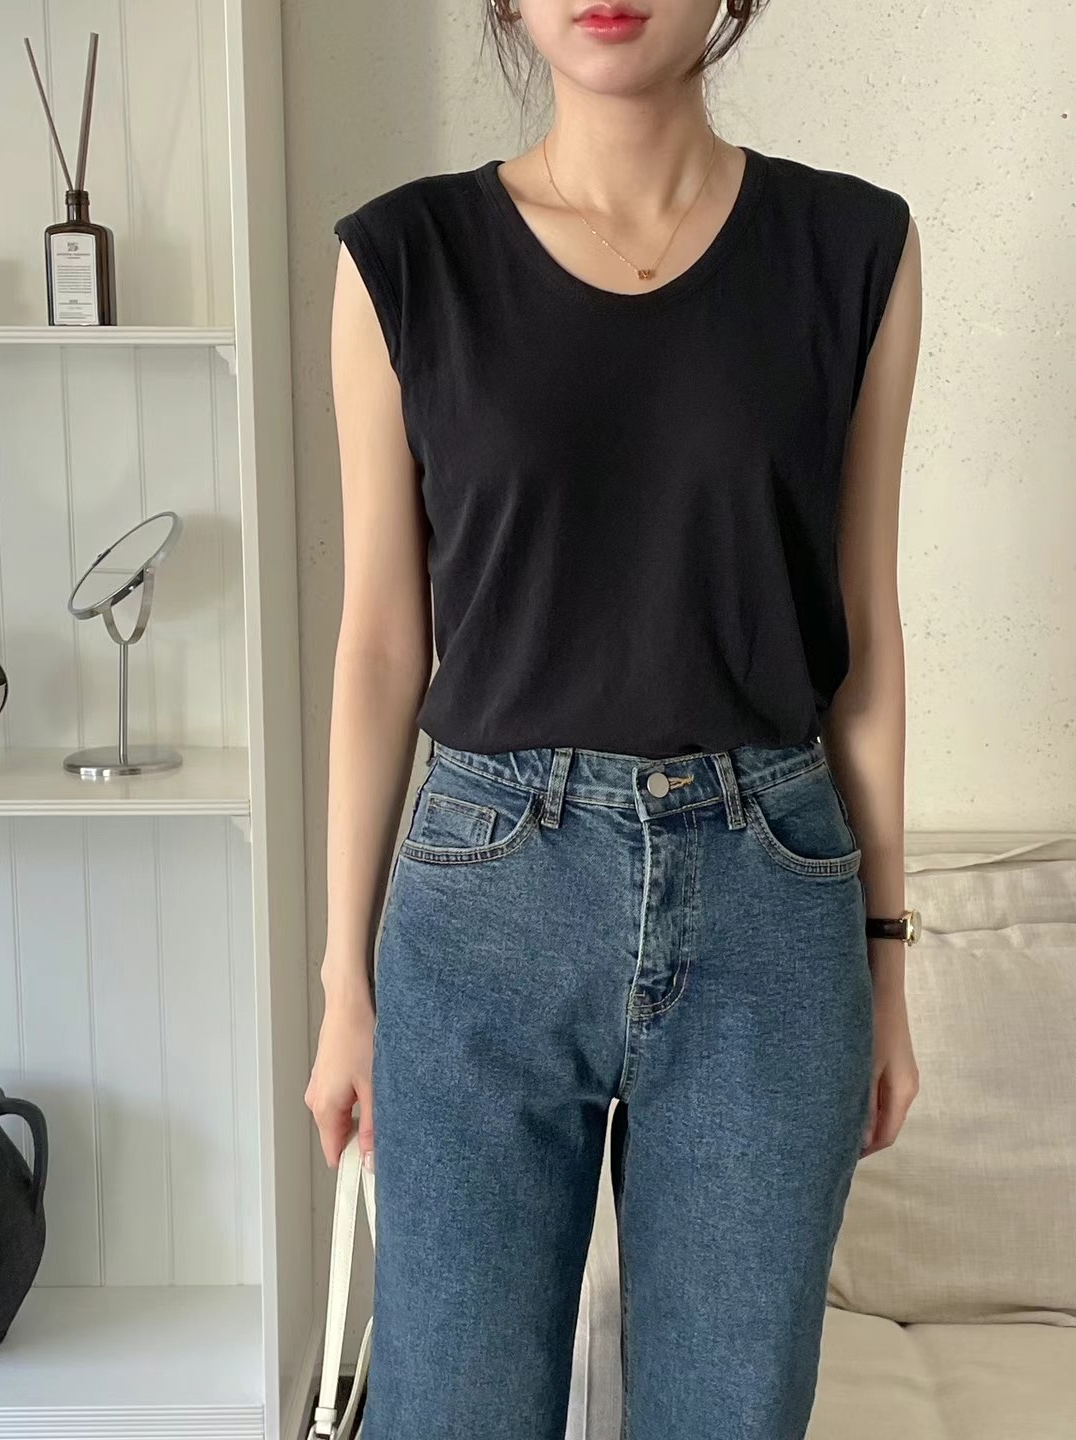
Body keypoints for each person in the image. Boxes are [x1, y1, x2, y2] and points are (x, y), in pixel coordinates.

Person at [306, 2, 923, 1436]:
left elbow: (867, 640)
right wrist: (345, 986)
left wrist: (888, 963)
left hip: (771, 902)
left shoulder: (854, 251)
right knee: (450, 1411)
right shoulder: (404, 260)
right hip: (481, 907)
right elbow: (383, 644)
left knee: (733, 1416)